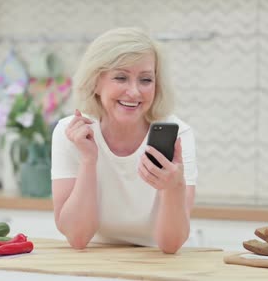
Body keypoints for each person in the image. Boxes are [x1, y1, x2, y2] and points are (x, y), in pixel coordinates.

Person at [51, 27, 198, 254]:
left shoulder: (179, 135)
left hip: (158, 262)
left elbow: (170, 245)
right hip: (92, 259)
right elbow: (78, 238)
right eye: (121, 77)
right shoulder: (71, 133)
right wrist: (88, 160)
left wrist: (174, 187)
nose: (134, 92)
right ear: (96, 82)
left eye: (146, 80)